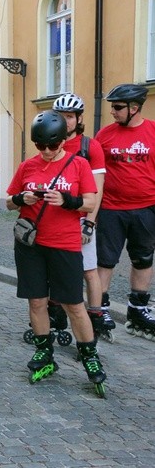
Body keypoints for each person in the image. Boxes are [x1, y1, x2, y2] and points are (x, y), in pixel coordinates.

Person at [6, 111, 106, 397]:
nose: (47, 152)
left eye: (52, 145)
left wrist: (66, 200)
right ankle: (44, 353)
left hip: (65, 244)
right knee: (37, 301)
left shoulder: (78, 165)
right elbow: (8, 203)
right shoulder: (27, 166)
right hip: (31, 246)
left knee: (73, 303)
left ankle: (89, 355)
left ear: (64, 140)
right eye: (41, 146)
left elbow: (89, 203)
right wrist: (19, 198)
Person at [95, 84, 155, 341]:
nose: (112, 111)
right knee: (105, 261)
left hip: (147, 208)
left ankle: (138, 310)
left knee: (143, 258)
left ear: (134, 108)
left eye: (118, 107)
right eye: (111, 106)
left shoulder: (153, 131)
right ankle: (99, 309)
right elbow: (93, 174)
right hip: (111, 208)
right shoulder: (104, 136)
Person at [52, 93, 113, 342]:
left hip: (81, 217)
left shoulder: (90, 146)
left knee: (88, 271)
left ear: (79, 119)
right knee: (56, 269)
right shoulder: (52, 142)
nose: (66, 122)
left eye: (70, 117)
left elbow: (97, 189)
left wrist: (89, 222)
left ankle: (95, 319)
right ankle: (57, 316)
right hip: (55, 217)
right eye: (61, 116)